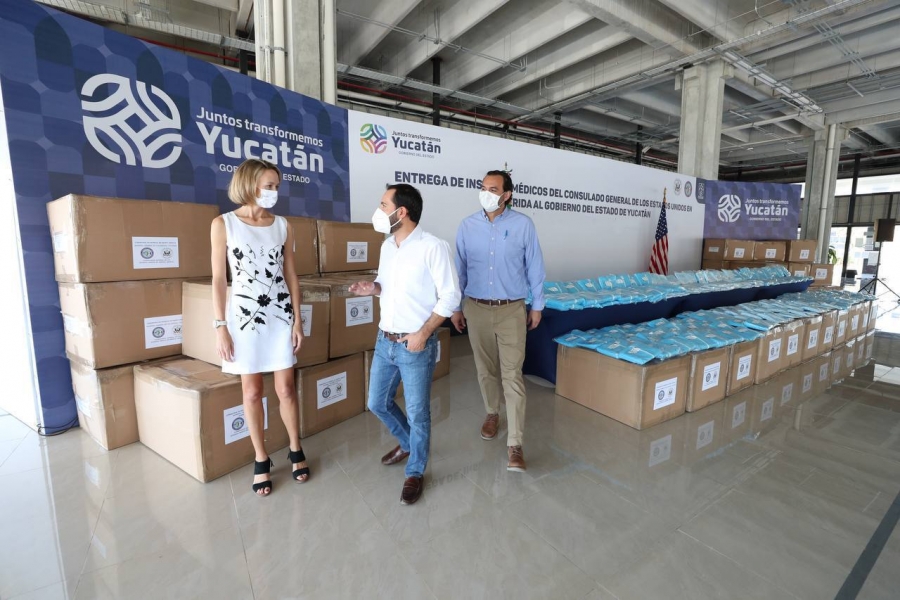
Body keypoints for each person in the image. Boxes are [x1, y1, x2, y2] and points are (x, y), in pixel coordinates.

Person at [350, 183, 460, 505]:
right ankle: (409, 443)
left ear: (402, 212)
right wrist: (372, 288)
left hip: (415, 343)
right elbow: (387, 286)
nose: (379, 211)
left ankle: (415, 471)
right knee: (377, 402)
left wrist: (423, 334)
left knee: (417, 413)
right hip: (385, 340)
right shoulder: (387, 246)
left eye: (383, 205)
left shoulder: (433, 247)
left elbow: (451, 296)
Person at [210, 158, 310, 497]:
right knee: (252, 391)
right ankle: (260, 458)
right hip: (242, 318)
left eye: (276, 186)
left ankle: (295, 448)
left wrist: (297, 319)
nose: (274, 192)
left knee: (286, 389)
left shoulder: (283, 225)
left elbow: (290, 274)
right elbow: (218, 279)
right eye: (269, 185)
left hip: (280, 315)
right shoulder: (223, 224)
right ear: (250, 184)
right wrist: (220, 326)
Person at [451, 169, 546, 472]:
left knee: (512, 375)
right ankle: (492, 412)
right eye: (483, 187)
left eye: (493, 189)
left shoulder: (523, 225)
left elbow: (535, 266)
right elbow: (459, 270)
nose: (486, 193)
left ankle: (515, 444)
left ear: (507, 195)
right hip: (476, 308)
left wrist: (537, 305)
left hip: (511, 310)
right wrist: (455, 307)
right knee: (485, 369)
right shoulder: (467, 226)